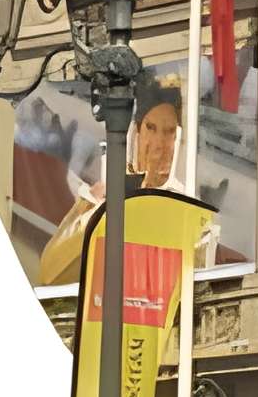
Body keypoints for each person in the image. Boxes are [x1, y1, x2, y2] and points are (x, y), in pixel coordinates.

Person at [35, 78, 183, 285]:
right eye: (151, 128)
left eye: (170, 133)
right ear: (137, 133)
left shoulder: (183, 204)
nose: (160, 144)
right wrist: (97, 213)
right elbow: (49, 273)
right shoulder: (103, 196)